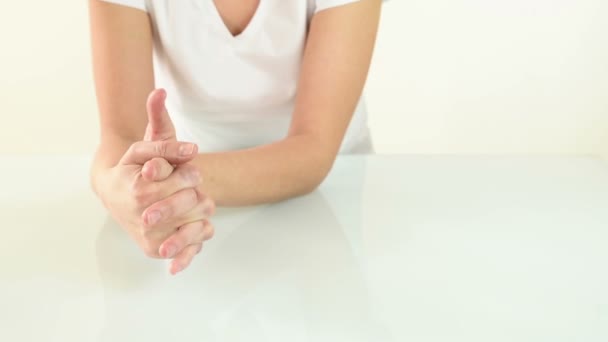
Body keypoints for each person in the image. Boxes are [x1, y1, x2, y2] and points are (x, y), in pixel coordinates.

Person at [88, 0, 383, 274]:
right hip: (191, 215)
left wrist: (167, 187)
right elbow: (121, 135)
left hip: (329, 195)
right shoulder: (169, 193)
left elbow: (314, 149)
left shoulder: (172, 188)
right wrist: (119, 184)